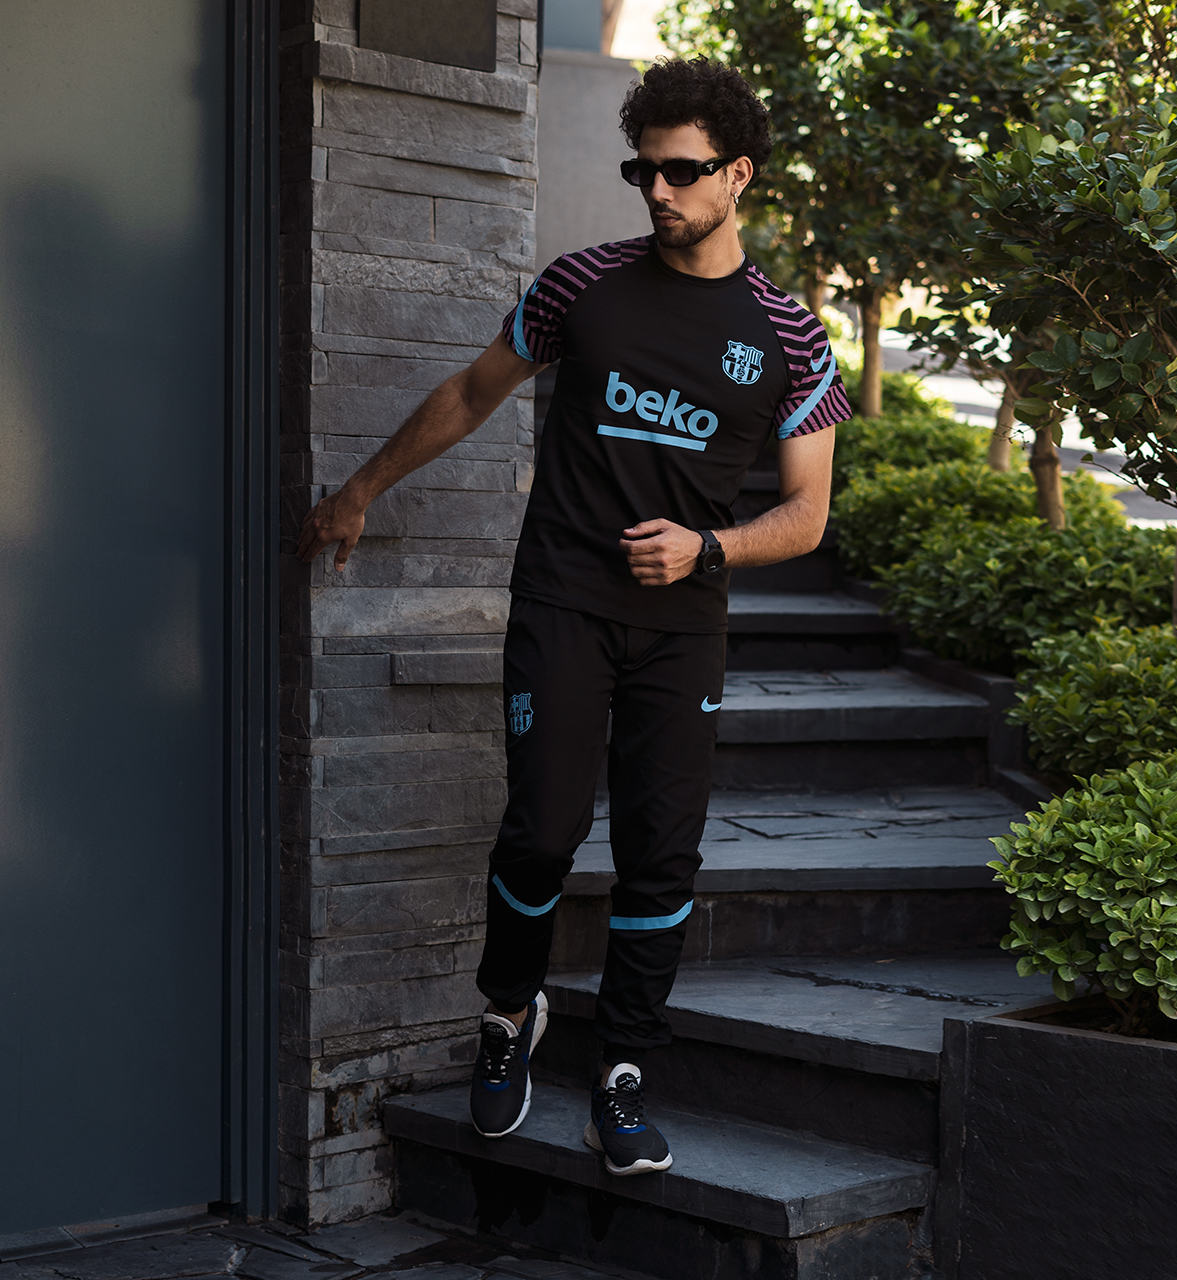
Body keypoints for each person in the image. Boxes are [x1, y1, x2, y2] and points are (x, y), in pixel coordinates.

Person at [297, 56, 850, 1178]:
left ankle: (624, 1068)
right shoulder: (580, 285)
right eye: (643, 171)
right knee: (541, 830)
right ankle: (509, 1015)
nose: (657, 191)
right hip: (561, 601)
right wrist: (360, 487)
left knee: (660, 853)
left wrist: (708, 547)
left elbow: (806, 516)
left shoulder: (791, 336)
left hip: (681, 627)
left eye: (681, 171)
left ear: (737, 175)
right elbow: (470, 392)